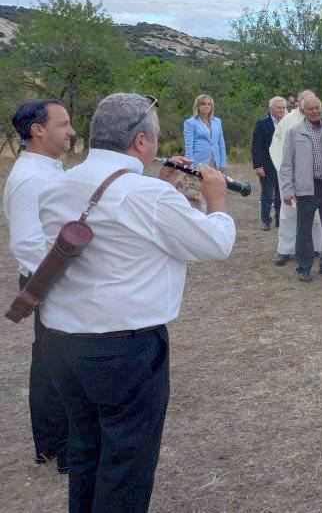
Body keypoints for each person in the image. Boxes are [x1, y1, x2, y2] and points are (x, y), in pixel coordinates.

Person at [37, 93, 235, 513]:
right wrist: (217, 199)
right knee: (126, 464)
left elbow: (118, 233)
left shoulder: (59, 185)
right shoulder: (146, 196)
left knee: (88, 451)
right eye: (156, 138)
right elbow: (215, 243)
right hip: (124, 349)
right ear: (141, 142)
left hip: (63, 342)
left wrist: (162, 187)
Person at [3, 99, 74, 472]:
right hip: (47, 277)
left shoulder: (46, 168)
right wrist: (58, 281)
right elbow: (29, 244)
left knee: (50, 362)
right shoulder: (32, 177)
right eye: (63, 125)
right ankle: (60, 448)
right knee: (55, 365)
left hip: (50, 275)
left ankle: (50, 443)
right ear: (38, 130)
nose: (71, 131)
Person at [279, 95, 322, 283]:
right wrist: (287, 190)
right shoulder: (294, 132)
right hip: (306, 187)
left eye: (318, 108)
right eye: (311, 109)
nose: (316, 112)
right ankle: (304, 267)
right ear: (303, 111)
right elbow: (286, 164)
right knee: (304, 229)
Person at [269, 90, 322, 266]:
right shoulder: (288, 122)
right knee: (288, 214)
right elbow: (277, 149)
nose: (309, 104)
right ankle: (285, 249)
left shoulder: (320, 120)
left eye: (312, 100)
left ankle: (315, 246)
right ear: (299, 103)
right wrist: (285, 175)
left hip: (315, 177)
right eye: (305, 100)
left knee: (316, 215)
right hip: (293, 176)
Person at [251, 96, 287, 230]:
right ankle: (265, 220)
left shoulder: (287, 123)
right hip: (266, 165)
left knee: (281, 194)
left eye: (284, 108)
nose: (282, 110)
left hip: (283, 164)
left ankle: (280, 219)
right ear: (271, 108)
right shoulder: (262, 124)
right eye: (279, 108)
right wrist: (258, 165)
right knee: (267, 194)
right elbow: (256, 146)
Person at [183, 94, 227, 173]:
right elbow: (188, 147)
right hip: (198, 163)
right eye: (203, 104)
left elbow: (221, 144)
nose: (206, 106)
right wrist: (190, 167)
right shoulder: (190, 122)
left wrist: (223, 164)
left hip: (215, 162)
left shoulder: (217, 121)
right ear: (197, 106)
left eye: (209, 104)